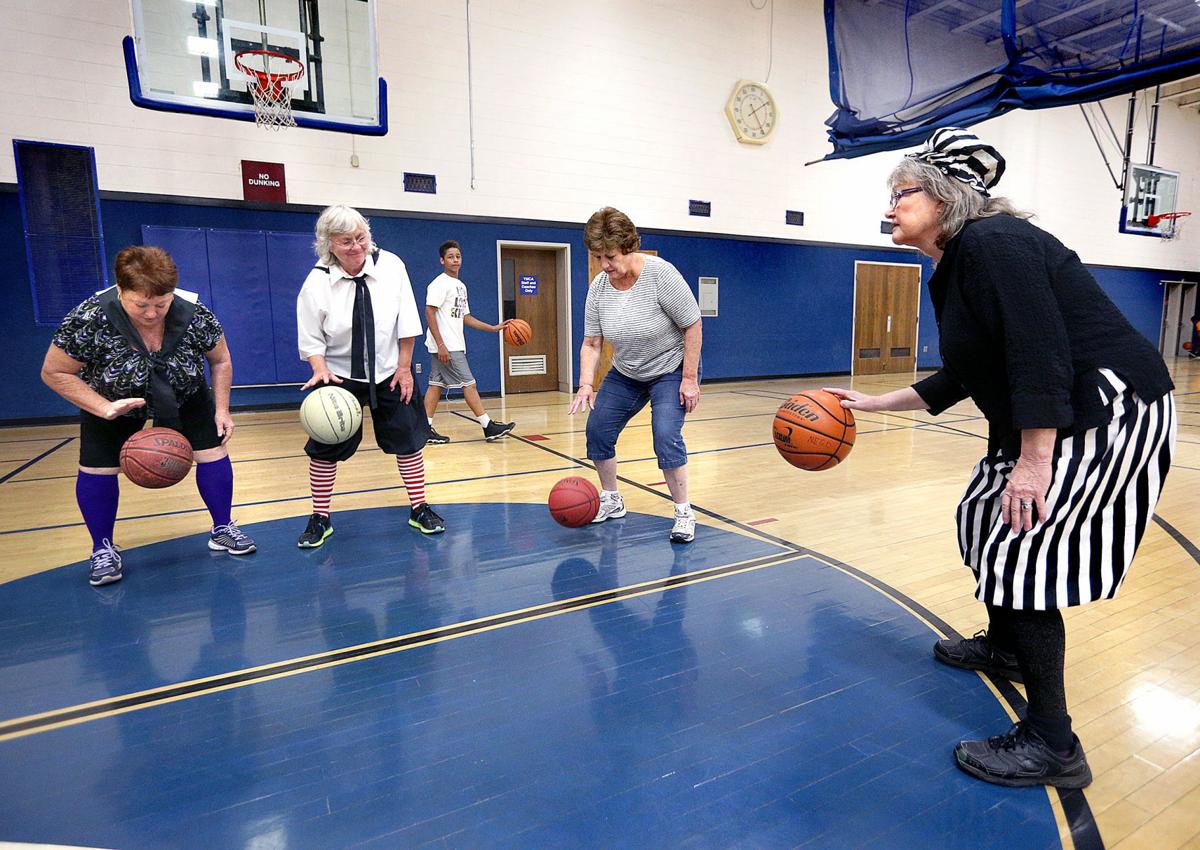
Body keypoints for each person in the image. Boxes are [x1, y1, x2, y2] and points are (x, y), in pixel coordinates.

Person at [826, 127, 1175, 789]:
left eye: (904, 192)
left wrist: (1035, 461)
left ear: (945, 198)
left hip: (1104, 405)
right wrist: (873, 404)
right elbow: (965, 373)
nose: (893, 204)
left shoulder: (994, 242)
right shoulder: (956, 264)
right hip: (1056, 405)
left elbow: (1038, 348)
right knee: (983, 518)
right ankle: (1010, 647)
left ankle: (1053, 745)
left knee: (1024, 550)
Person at [41, 246, 256, 586]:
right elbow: (54, 372)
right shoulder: (89, 317)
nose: (153, 313)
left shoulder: (193, 312)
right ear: (120, 289)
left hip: (186, 394)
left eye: (162, 303)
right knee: (97, 468)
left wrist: (222, 409)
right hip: (112, 400)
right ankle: (102, 548)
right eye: (141, 304)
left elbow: (221, 359)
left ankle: (222, 527)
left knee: (214, 452)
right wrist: (103, 407)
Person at [295, 205, 445, 548]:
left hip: (392, 369)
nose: (356, 247)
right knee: (323, 448)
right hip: (339, 375)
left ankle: (419, 507)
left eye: (361, 237)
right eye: (346, 241)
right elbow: (311, 337)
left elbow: (408, 321)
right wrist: (319, 369)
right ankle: (320, 517)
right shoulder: (316, 282)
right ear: (329, 244)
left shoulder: (392, 266)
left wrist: (405, 368)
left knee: (409, 442)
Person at [568, 207, 703, 543]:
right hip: (627, 371)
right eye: (597, 256)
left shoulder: (661, 275)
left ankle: (684, 512)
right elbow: (591, 342)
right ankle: (611, 499)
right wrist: (586, 383)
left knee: (665, 434)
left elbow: (693, 324)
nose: (603, 265)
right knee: (597, 429)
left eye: (609, 256)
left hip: (669, 368)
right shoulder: (599, 287)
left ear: (629, 247)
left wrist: (689, 378)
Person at [422, 240, 515, 444]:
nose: (455, 260)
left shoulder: (460, 286)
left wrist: (493, 327)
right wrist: (441, 345)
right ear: (442, 260)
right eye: (450, 257)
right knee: (469, 384)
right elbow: (429, 312)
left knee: (435, 385)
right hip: (447, 346)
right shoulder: (439, 284)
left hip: (452, 343)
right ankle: (488, 426)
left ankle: (424, 428)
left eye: (458, 256)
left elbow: (466, 317)